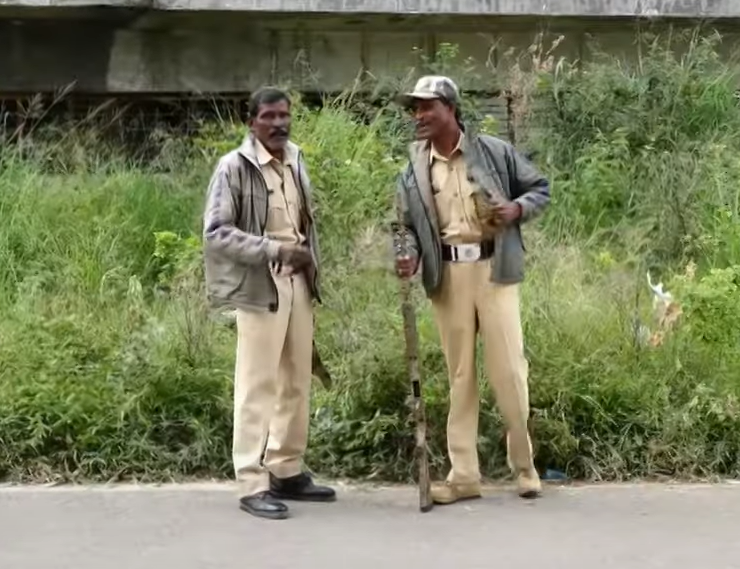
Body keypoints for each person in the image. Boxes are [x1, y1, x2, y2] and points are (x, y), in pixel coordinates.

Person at [392, 75, 551, 505]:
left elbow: (541, 189)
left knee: (509, 373)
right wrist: (408, 256)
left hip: (494, 271)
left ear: (451, 108)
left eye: (427, 107)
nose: (419, 116)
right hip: (448, 278)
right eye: (415, 109)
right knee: (459, 376)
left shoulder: (494, 153)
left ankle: (525, 468)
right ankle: (463, 476)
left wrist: (516, 208)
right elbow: (404, 226)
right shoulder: (414, 169)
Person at [202, 86, 335, 520]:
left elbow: (304, 224)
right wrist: (272, 250)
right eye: (269, 117)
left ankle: (286, 468)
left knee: (297, 378)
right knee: (257, 384)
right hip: (262, 284)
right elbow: (216, 232)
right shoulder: (234, 167)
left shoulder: (295, 159)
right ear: (251, 122)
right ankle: (251, 481)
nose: (279, 124)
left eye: (284, 116)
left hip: (299, 282)